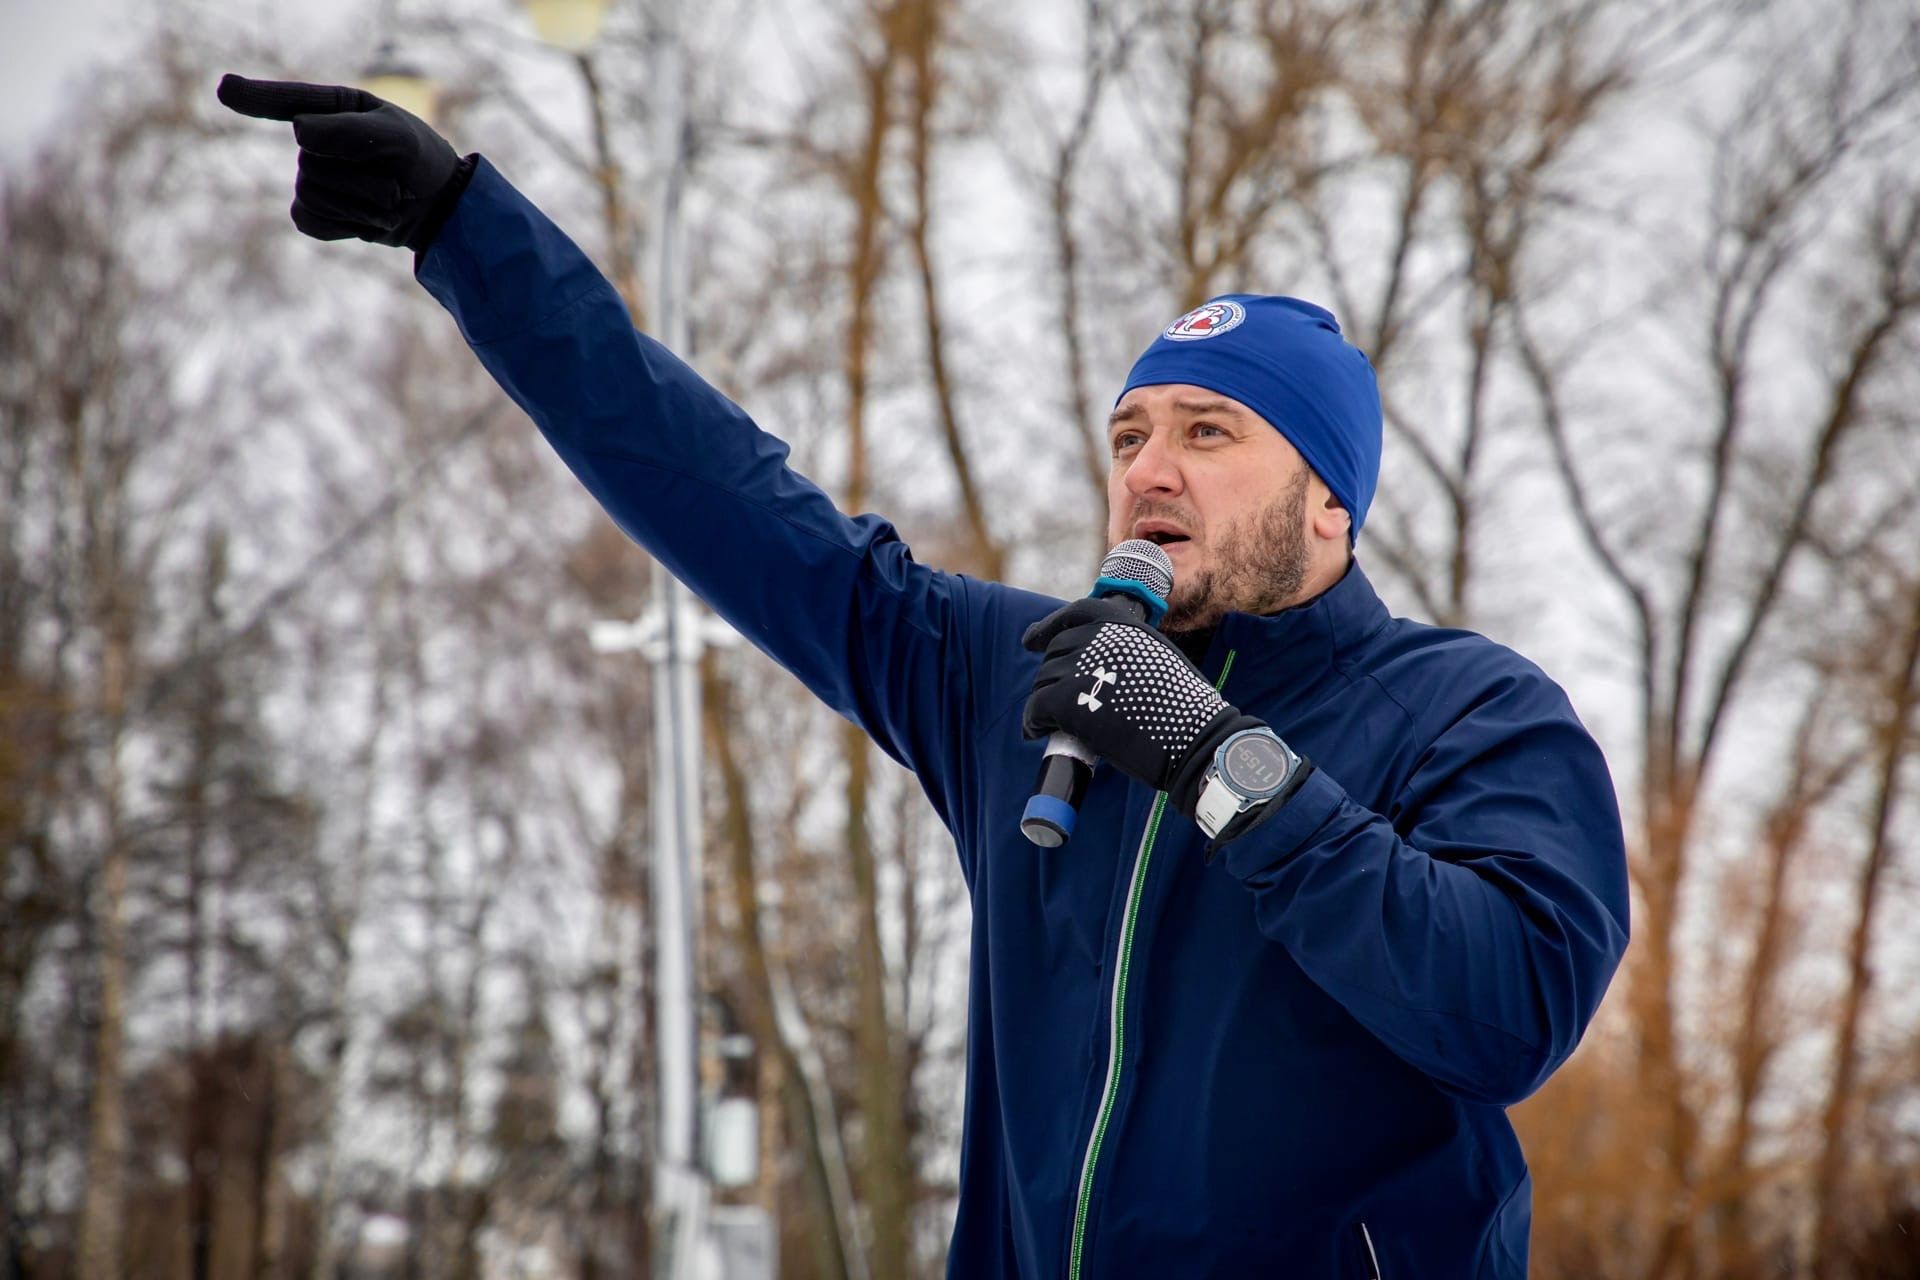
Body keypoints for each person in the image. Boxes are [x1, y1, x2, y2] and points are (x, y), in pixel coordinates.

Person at [218, 75, 1630, 1279]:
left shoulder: (1475, 712)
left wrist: (1209, 756)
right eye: (1132, 432)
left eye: (1210, 433)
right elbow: (726, 497)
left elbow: (1504, 1010)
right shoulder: (1012, 679)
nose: (1148, 466)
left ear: (1330, 499)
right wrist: (468, 233)